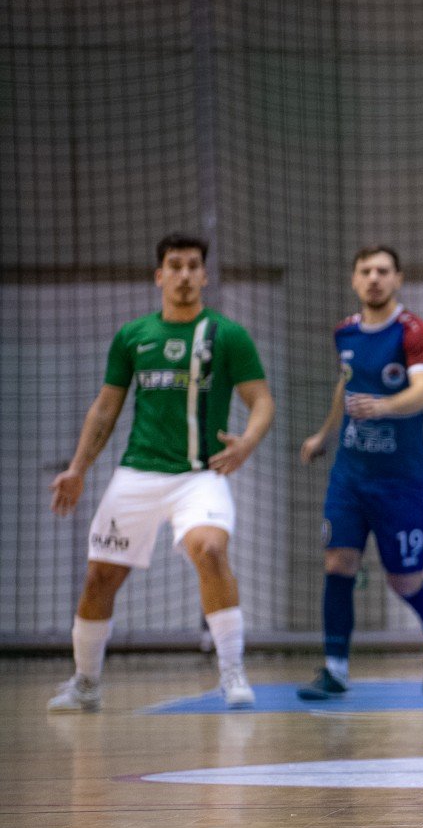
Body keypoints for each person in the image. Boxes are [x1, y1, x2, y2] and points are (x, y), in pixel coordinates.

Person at [48, 233, 274, 711]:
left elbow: (261, 401)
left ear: (205, 276)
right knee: (99, 578)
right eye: (175, 265)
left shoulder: (227, 335)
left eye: (193, 266)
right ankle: (86, 683)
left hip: (200, 475)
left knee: (211, 550)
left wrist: (248, 441)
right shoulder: (133, 336)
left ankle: (232, 673)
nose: (184, 275)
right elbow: (105, 409)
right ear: (159, 276)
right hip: (138, 474)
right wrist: (77, 468)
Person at [298, 245, 423, 699]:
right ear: (353, 279)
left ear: (398, 279)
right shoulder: (344, 332)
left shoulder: (413, 332)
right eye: (365, 271)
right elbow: (346, 385)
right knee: (338, 562)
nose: (374, 278)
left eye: (383, 271)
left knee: (403, 581)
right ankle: (335, 669)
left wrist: (384, 406)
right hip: (350, 476)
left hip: (401, 480)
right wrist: (324, 434)